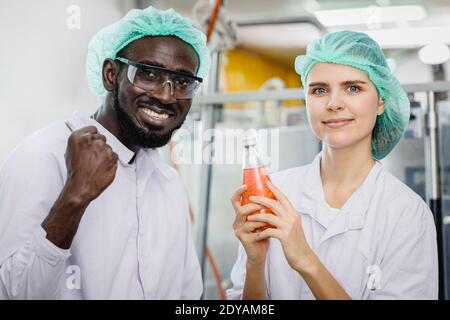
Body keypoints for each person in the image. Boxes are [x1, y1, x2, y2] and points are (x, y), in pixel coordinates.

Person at [0, 6, 210, 299]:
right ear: (111, 74)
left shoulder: (168, 182)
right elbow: (16, 293)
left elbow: (189, 294)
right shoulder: (40, 157)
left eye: (182, 82)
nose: (166, 95)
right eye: (148, 73)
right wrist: (73, 198)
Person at [228, 31, 438, 300]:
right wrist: (255, 262)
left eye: (353, 88)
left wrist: (305, 260)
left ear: (381, 101)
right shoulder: (274, 192)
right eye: (319, 90)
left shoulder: (406, 214)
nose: (334, 103)